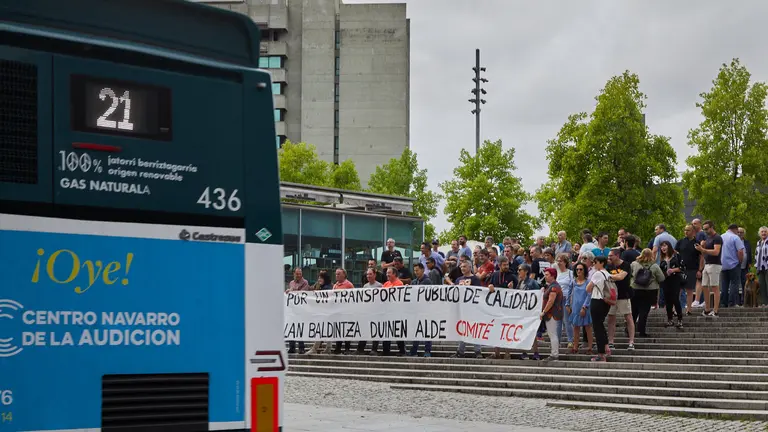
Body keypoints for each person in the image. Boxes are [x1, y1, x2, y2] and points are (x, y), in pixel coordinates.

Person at [630, 249, 666, 338]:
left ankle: (629, 330)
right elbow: (662, 278)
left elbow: (629, 274)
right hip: (649, 291)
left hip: (635, 290)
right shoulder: (655, 266)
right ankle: (642, 331)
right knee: (644, 312)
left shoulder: (634, 264)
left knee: (633, 311)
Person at [585, 256, 612, 362]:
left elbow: (588, 288)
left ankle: (601, 354)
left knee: (597, 327)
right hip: (606, 301)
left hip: (597, 300)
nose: (594, 264)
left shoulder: (597, 274)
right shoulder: (608, 274)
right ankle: (606, 347)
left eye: (595, 262)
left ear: (601, 263)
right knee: (600, 325)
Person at [695, 220, 723, 317]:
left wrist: (703, 249)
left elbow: (716, 252)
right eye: (704, 229)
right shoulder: (708, 238)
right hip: (707, 264)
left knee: (715, 287)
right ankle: (707, 309)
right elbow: (704, 253)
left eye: (707, 229)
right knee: (704, 286)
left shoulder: (717, 238)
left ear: (711, 227)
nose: (705, 231)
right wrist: (702, 248)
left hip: (715, 264)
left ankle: (715, 310)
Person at [676, 225, 702, 315]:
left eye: (688, 230)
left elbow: (701, 257)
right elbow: (675, 253)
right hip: (681, 269)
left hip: (692, 269)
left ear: (693, 231)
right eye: (685, 230)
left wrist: (700, 269)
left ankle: (689, 309)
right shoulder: (680, 242)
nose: (686, 232)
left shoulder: (696, 243)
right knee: (678, 289)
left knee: (689, 290)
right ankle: (675, 309)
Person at [568, 262, 593, 355]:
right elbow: (569, 293)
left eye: (581, 269)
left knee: (588, 328)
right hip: (575, 307)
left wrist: (585, 307)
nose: (578, 271)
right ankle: (575, 347)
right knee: (576, 328)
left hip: (585, 307)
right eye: (577, 269)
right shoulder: (573, 281)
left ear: (584, 271)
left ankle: (590, 347)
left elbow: (589, 295)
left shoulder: (588, 282)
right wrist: (567, 304)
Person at [540, 267, 564, 361]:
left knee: (552, 334)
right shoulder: (551, 286)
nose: (545, 276)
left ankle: (554, 354)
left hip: (553, 314)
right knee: (552, 334)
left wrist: (544, 312)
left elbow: (551, 301)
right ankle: (554, 353)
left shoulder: (554, 287)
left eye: (547, 275)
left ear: (553, 276)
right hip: (552, 313)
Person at [659, 241, 684, 328]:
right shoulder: (662, 259)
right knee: (667, 300)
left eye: (664, 246)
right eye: (661, 246)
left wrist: (673, 270)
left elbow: (682, 267)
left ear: (669, 246)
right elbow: (660, 270)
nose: (663, 248)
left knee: (675, 299)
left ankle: (680, 319)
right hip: (666, 281)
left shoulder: (676, 256)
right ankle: (670, 319)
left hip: (675, 280)